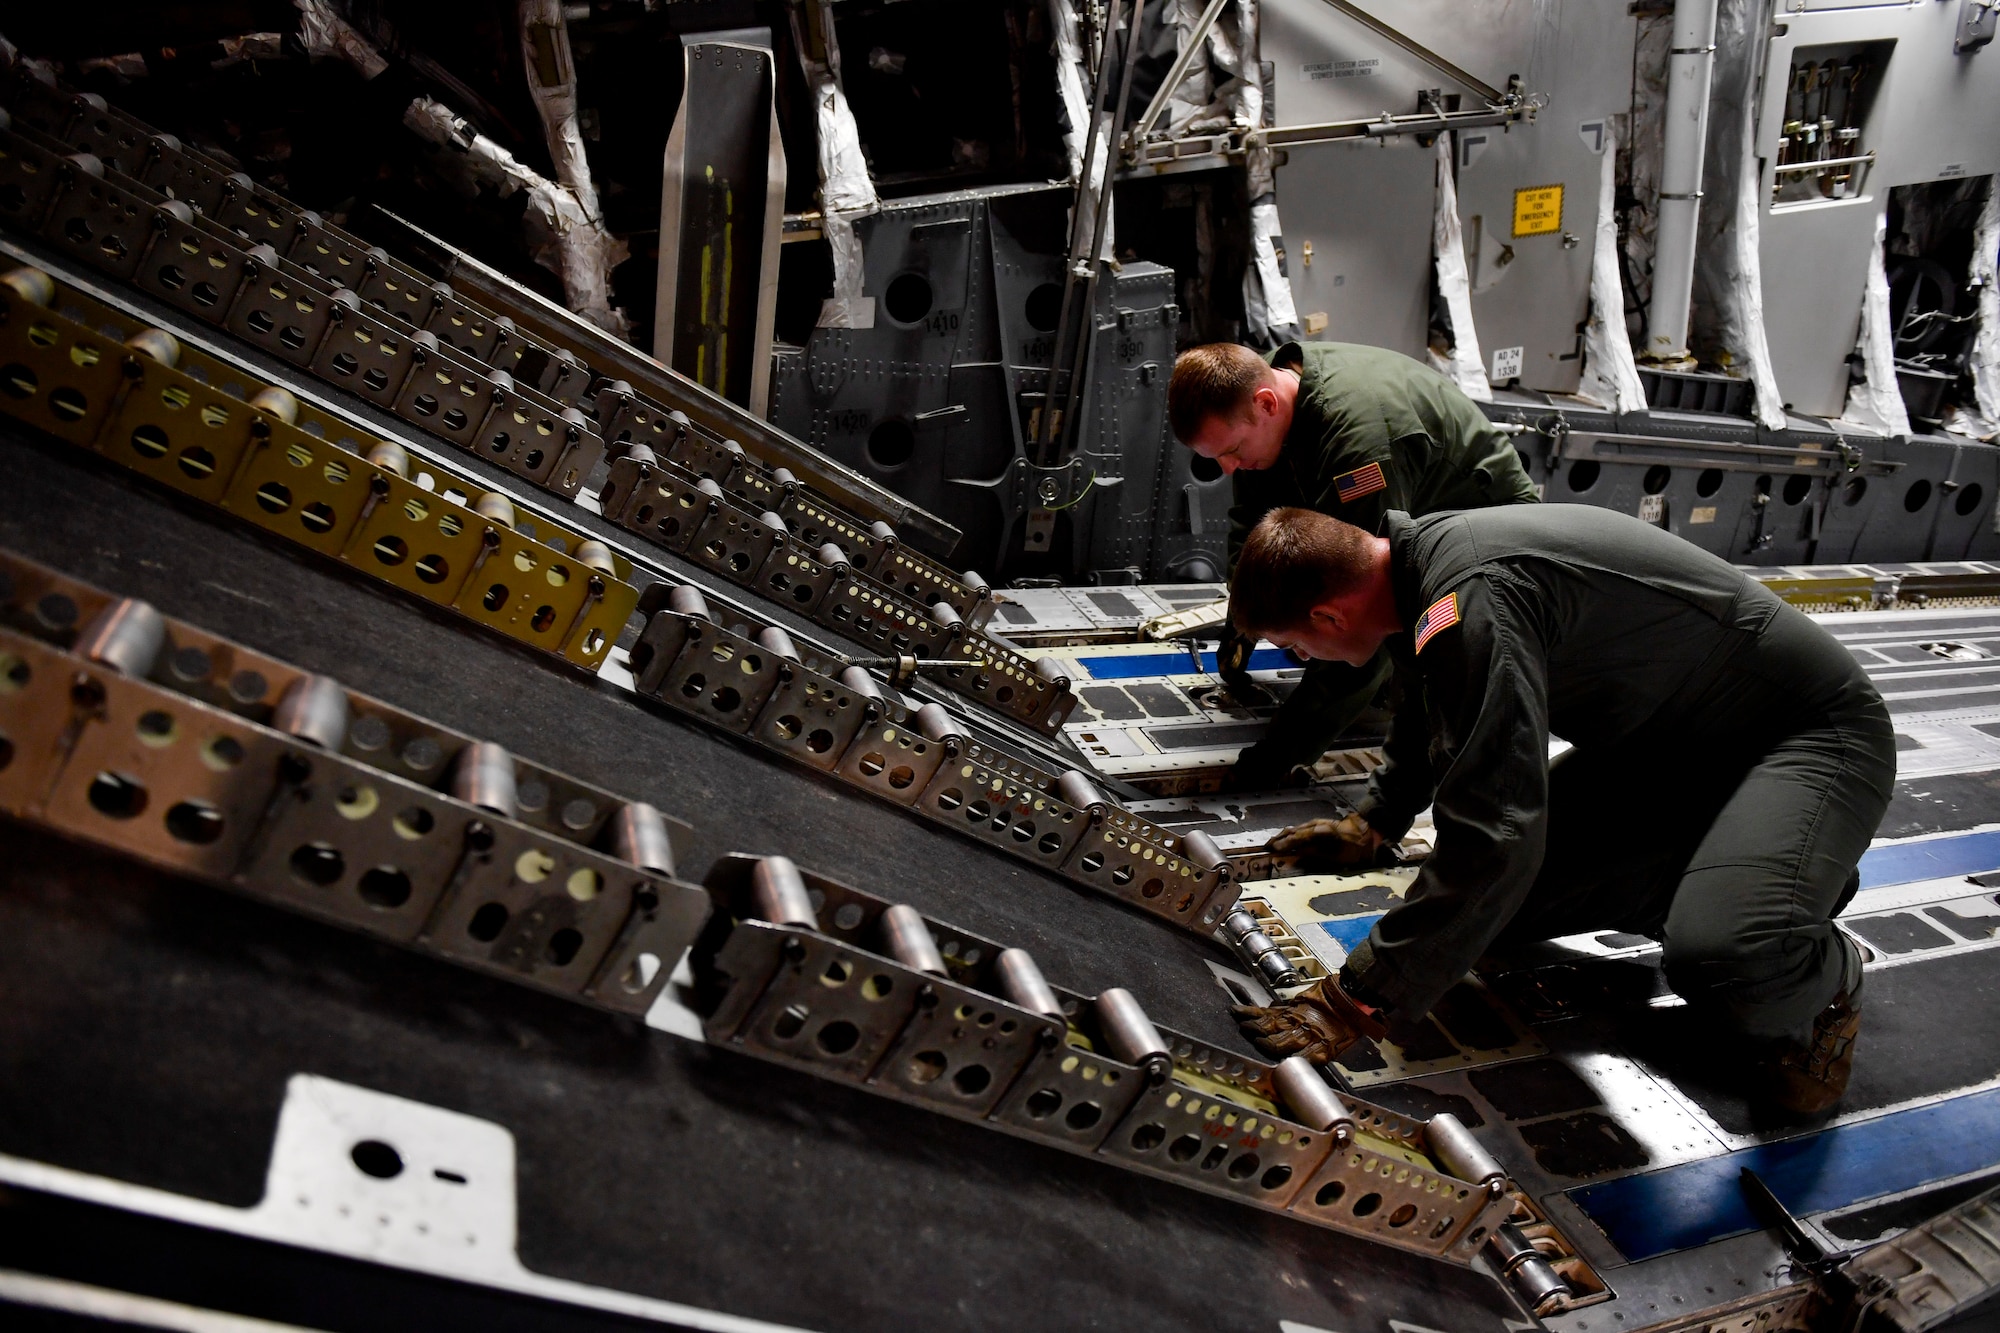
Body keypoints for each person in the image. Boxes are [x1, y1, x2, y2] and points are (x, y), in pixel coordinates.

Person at [1224, 505, 1896, 1116]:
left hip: (1808, 736)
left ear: (1328, 617)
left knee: (1721, 955)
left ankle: (1809, 961)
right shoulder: (1418, 574)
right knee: (1497, 911)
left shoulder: (1470, 596)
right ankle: (1751, 878)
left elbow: (1498, 834)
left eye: (1296, 646)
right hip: (1674, 750)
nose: (1304, 659)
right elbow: (1440, 713)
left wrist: (1355, 999)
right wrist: (1375, 820)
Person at [1167, 341, 1538, 789]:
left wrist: (1276, 757)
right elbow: (1254, 528)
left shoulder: (1359, 450)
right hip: (1416, 517)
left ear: (1266, 403)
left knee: (1407, 667)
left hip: (1492, 546)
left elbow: (1359, 607)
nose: (1228, 469)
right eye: (1217, 457)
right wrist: (1247, 621)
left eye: (1233, 450)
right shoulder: (1265, 398)